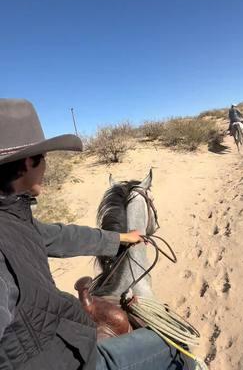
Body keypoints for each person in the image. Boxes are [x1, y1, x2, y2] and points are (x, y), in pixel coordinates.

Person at [0, 99, 196, 370]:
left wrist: (119, 239)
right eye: (43, 158)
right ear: (26, 163)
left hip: (62, 331)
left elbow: (60, 236)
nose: (46, 167)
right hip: (64, 360)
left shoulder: (13, 217)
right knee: (177, 348)